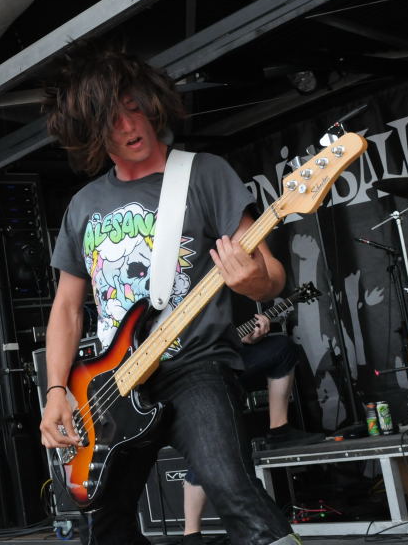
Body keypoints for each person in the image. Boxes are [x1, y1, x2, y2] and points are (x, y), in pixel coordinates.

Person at [40, 43, 298, 545]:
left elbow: (272, 275)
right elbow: (67, 308)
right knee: (106, 527)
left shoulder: (204, 173)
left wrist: (250, 281)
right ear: (91, 131)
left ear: (151, 103)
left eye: (134, 108)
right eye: (111, 120)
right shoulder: (84, 204)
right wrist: (55, 393)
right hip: (112, 386)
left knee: (233, 489)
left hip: (195, 366)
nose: (129, 126)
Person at [183, 310, 320, 542]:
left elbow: (223, 336)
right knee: (210, 444)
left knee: (281, 347)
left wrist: (245, 339)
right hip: (193, 378)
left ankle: (279, 429)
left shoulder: (212, 300)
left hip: (224, 361)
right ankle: (191, 534)